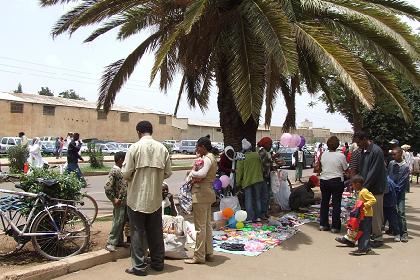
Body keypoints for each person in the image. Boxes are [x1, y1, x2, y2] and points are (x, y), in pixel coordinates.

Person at [122, 121, 172, 276]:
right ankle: (158, 263)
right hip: (155, 200)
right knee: (155, 232)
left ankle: (139, 266)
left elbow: (125, 173)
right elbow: (168, 172)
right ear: (151, 131)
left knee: (137, 232)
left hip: (136, 199)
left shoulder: (134, 148)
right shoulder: (162, 148)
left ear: (138, 132)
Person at [184, 137, 217, 264]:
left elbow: (202, 174)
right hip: (207, 194)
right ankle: (209, 253)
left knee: (200, 227)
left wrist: (192, 173)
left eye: (198, 147)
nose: (197, 150)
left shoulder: (207, 158)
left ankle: (199, 256)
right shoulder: (211, 157)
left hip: (201, 194)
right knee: (207, 225)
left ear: (203, 147)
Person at [353, 131, 386, 247]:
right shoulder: (363, 151)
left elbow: (373, 173)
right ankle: (368, 235)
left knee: (376, 215)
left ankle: (378, 238)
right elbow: (362, 171)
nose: (358, 145)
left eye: (359, 142)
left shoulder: (376, 151)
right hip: (366, 188)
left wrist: (363, 188)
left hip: (375, 189)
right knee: (366, 214)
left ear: (365, 139)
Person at [336, 175, 376, 255]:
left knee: (364, 232)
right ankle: (364, 247)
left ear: (357, 184)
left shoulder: (364, 192)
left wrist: (364, 205)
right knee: (359, 231)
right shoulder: (360, 192)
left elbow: (373, 200)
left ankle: (363, 249)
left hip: (366, 215)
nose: (352, 186)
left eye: (353, 185)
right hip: (361, 215)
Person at [319, 136, 348, 233]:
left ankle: (323, 224)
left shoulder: (323, 154)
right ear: (337, 145)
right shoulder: (341, 155)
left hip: (324, 180)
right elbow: (345, 169)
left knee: (324, 203)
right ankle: (335, 226)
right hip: (336, 181)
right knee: (336, 204)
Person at [236, 138, 264, 222]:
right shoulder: (256, 155)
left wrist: (238, 183)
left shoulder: (242, 158)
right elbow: (261, 167)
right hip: (258, 179)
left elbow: (239, 172)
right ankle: (258, 216)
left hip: (247, 181)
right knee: (257, 198)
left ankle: (250, 218)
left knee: (248, 199)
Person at [104, 152, 128, 252]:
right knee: (118, 221)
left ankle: (119, 241)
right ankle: (111, 242)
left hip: (124, 201)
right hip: (119, 202)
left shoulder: (121, 171)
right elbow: (108, 187)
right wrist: (114, 199)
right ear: (120, 160)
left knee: (122, 222)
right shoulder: (115, 171)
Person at [388, 147, 410, 242]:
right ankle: (395, 231)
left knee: (401, 213)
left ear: (401, 154)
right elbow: (388, 176)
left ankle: (404, 233)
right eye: (392, 154)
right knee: (392, 213)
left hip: (399, 194)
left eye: (395, 154)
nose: (393, 156)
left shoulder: (405, 167)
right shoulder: (391, 164)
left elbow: (402, 182)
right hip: (391, 192)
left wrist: (394, 190)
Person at [257, 136, 273, 219]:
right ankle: (262, 213)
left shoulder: (267, 152)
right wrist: (271, 161)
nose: (271, 146)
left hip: (266, 177)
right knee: (264, 196)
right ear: (266, 144)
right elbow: (262, 165)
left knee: (267, 196)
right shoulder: (262, 152)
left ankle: (265, 212)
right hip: (262, 177)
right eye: (270, 144)